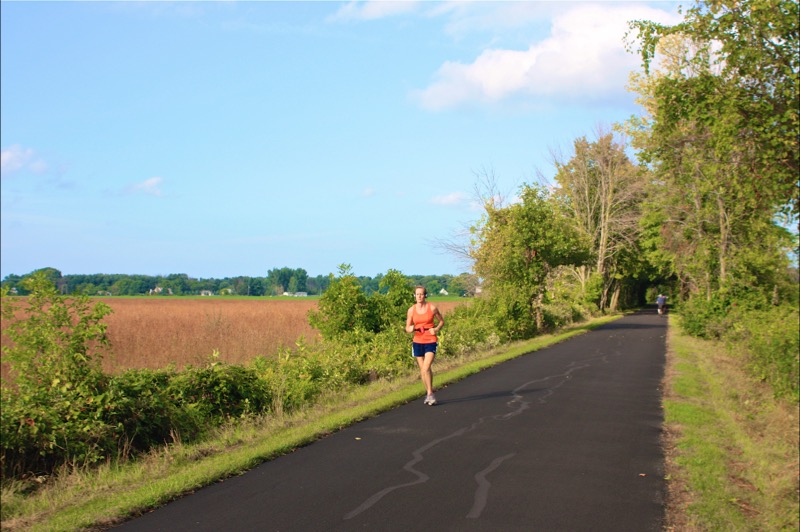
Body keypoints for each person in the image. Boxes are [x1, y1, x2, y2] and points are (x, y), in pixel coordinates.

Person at [406, 285, 444, 406]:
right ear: (414, 296)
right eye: (417, 294)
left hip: (430, 340)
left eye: (421, 294)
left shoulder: (432, 308)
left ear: (425, 295)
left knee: (426, 368)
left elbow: (441, 321)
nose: (419, 296)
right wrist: (411, 328)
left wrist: (436, 329)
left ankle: (430, 394)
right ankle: (429, 393)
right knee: (423, 370)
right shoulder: (411, 310)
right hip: (417, 340)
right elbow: (407, 327)